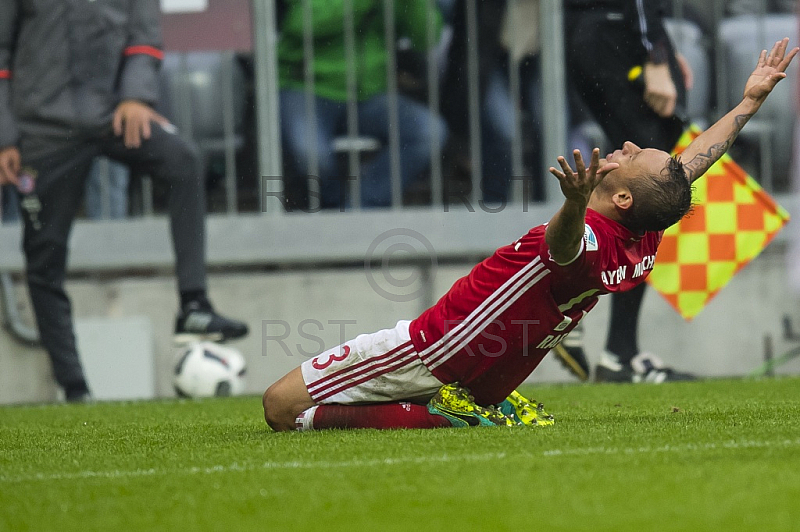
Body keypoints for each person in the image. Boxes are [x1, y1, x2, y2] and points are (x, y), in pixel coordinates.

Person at [261, 39, 797, 431]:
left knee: (281, 408)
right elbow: (687, 168)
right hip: (496, 372)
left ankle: (443, 417)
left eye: (634, 156)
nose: (628, 145)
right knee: (325, 404)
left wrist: (570, 203)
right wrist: (749, 104)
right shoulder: (646, 230)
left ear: (624, 197)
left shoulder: (588, 235)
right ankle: (466, 407)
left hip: (435, 347)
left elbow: (563, 248)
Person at [0, 0, 249, 402]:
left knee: (182, 161)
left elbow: (144, 34)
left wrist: (136, 95)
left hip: (111, 114)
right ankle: (75, 388)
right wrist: (4, 136)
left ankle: (193, 304)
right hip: (41, 130)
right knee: (43, 258)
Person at [552, 0, 697, 384]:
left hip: (609, 30)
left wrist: (661, 47)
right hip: (615, 30)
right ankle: (573, 310)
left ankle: (614, 344)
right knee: (646, 185)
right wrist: (655, 54)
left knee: (636, 182)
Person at [277, 0, 448, 209]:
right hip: (305, 87)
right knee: (311, 155)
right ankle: (329, 216)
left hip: (369, 95)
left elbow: (428, 37)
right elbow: (302, 24)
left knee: (428, 132)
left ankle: (359, 210)